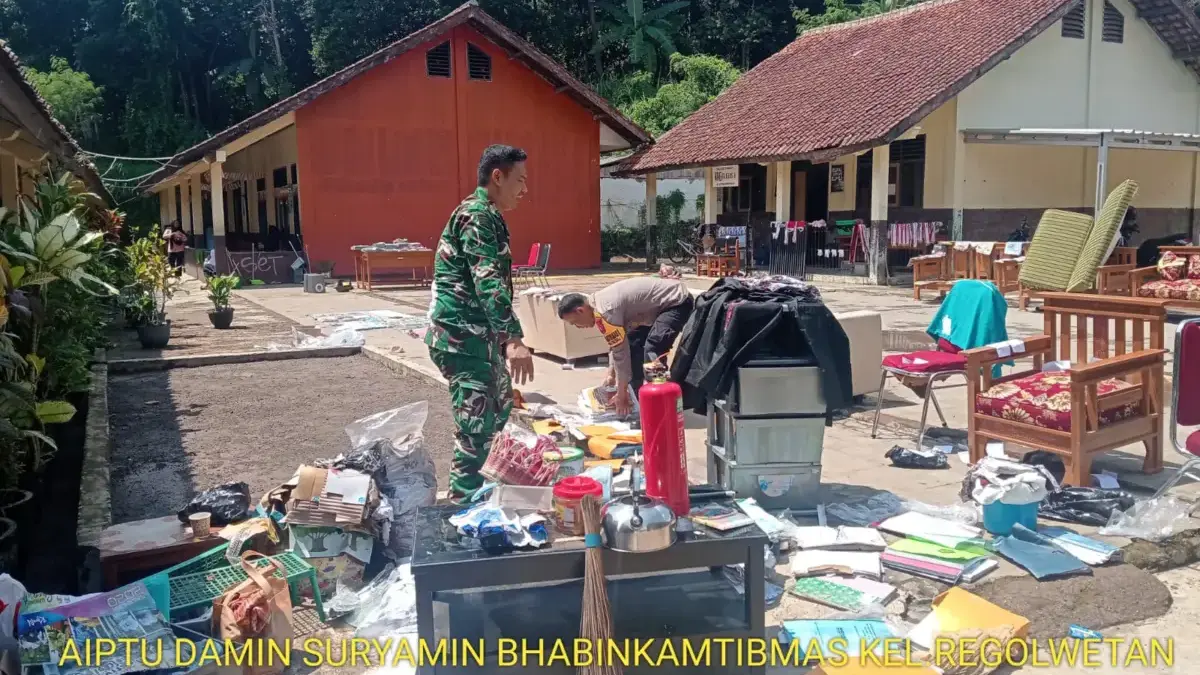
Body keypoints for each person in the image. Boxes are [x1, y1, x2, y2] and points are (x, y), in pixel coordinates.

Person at [425, 144, 534, 502]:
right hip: (460, 338)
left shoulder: (489, 214)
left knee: (501, 403)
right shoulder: (476, 214)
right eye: (519, 180)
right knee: (475, 427)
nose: (524, 189)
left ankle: (482, 493)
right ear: (497, 177)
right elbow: (486, 279)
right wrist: (513, 337)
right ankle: (462, 505)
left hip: (477, 337)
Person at [556, 276, 694, 416]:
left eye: (575, 323)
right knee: (633, 344)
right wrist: (611, 375)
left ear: (580, 311)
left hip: (676, 302)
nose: (578, 327)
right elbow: (617, 345)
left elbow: (620, 354)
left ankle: (664, 403)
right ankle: (638, 404)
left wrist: (620, 394)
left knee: (653, 348)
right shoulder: (597, 307)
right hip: (654, 308)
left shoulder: (606, 312)